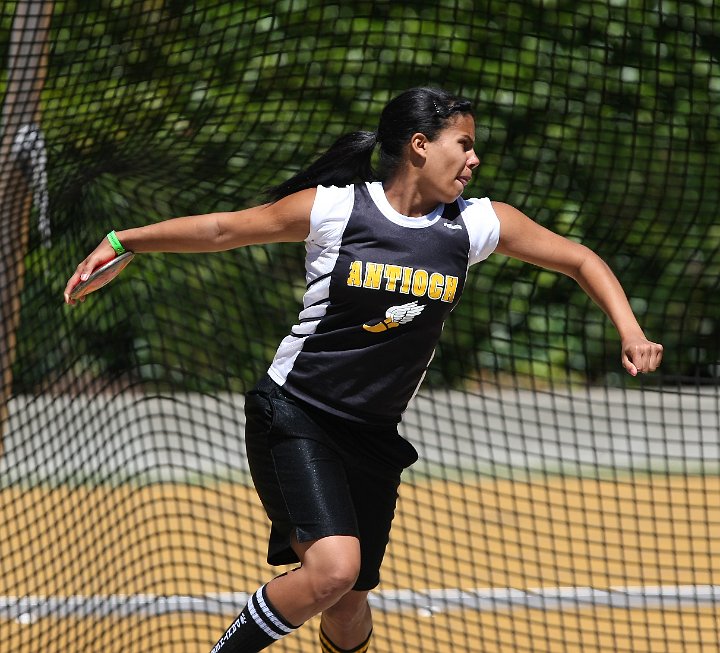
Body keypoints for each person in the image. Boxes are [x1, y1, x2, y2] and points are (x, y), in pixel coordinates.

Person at [64, 87, 663, 652]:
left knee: (348, 601)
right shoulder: (338, 210)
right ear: (420, 145)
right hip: (296, 413)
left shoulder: (473, 223)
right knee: (333, 570)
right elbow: (224, 229)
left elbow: (580, 259)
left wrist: (630, 331)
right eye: (465, 144)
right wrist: (124, 242)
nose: (474, 159)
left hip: (373, 436)